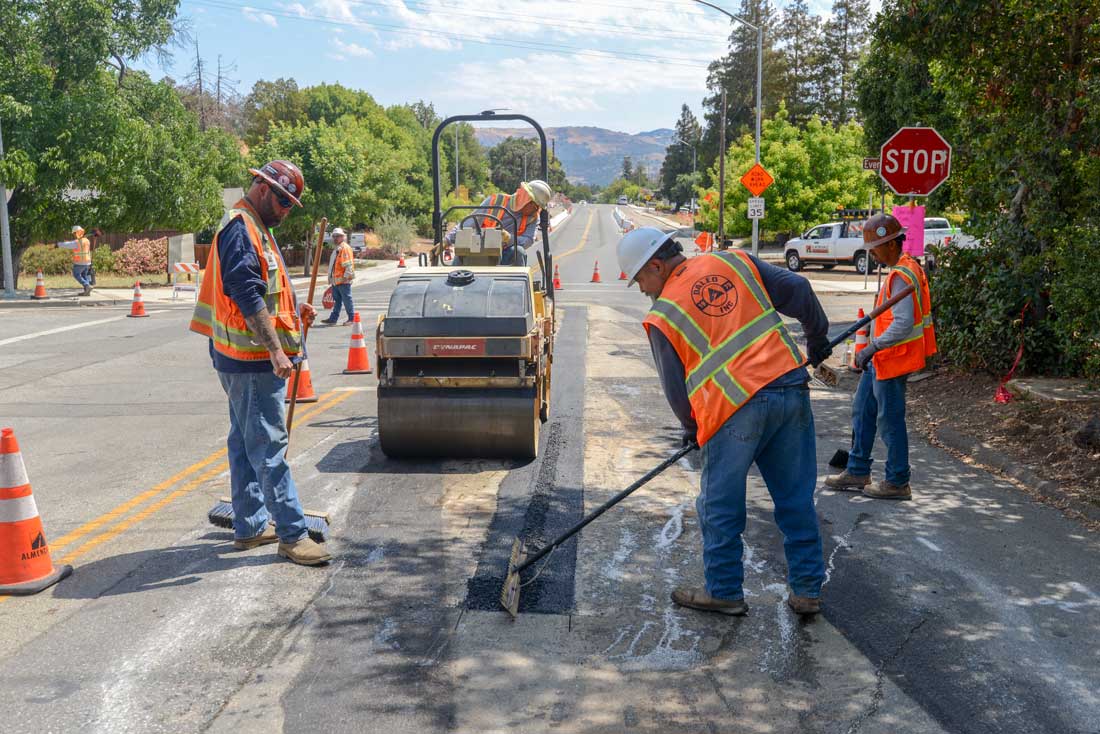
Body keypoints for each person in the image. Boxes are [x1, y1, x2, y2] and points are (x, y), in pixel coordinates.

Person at [617, 227, 832, 617]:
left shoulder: (663, 315)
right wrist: (817, 340)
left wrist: (691, 429)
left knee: (720, 505)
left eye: (640, 279)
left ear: (656, 265)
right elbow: (799, 289)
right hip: (789, 387)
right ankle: (806, 591)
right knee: (795, 498)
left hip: (733, 409)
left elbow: (677, 391)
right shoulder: (733, 260)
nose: (642, 288)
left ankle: (724, 591)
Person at [189, 159, 332, 566]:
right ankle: (292, 534)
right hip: (251, 358)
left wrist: (293, 310)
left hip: (243, 356)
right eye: (284, 202)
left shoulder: (257, 228)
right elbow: (246, 295)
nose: (286, 211)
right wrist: (274, 349)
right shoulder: (241, 227)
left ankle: (251, 525)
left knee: (243, 441)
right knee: (269, 446)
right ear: (265, 189)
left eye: (291, 204)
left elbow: (267, 292)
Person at [824, 213, 936, 501]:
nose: (872, 254)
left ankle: (898, 481)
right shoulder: (901, 268)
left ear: (889, 244)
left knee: (890, 420)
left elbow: (902, 323)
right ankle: (858, 469)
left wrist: (871, 348)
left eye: (874, 248)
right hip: (881, 358)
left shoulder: (902, 275)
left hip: (893, 357)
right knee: (863, 410)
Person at [443, 179, 552, 265]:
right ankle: (453, 287)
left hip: (505, 255)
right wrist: (446, 241)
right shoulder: (496, 201)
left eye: (538, 207)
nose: (536, 210)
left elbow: (528, 240)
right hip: (481, 250)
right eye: (535, 206)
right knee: (463, 251)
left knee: (518, 252)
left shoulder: (532, 217)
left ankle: (515, 286)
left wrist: (509, 238)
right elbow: (468, 223)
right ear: (527, 199)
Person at [320, 227, 355, 325]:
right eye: (334, 236)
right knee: (337, 301)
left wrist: (345, 278)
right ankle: (333, 319)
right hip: (337, 281)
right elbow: (334, 266)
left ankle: (352, 318)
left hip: (343, 281)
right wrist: (331, 280)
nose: (335, 238)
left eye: (338, 236)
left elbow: (348, 265)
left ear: (343, 237)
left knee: (347, 300)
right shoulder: (338, 249)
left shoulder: (344, 248)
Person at [60, 226, 93, 295]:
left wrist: (58, 244)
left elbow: (68, 245)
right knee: (84, 276)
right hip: (87, 262)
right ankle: (87, 291)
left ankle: (87, 285)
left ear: (77, 233)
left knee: (76, 274)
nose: (74, 235)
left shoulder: (77, 242)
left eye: (74, 233)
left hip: (80, 262)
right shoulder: (87, 240)